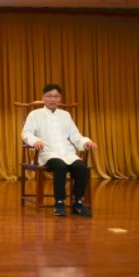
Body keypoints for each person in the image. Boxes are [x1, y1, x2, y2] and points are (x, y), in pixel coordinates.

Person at [21, 84, 97, 217]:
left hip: (66, 152)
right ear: (43, 98)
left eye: (56, 96)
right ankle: (59, 202)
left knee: (81, 167)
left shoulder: (65, 115)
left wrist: (86, 142)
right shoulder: (35, 114)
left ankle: (78, 203)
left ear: (60, 99)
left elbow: (75, 135)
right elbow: (26, 133)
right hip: (47, 152)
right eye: (49, 96)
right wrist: (35, 141)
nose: (53, 99)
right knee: (60, 166)